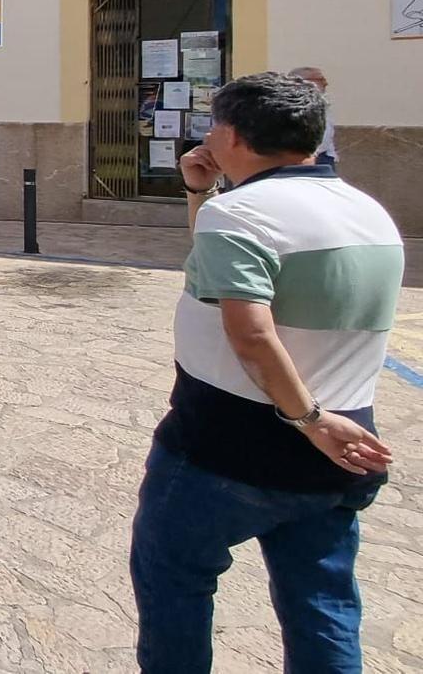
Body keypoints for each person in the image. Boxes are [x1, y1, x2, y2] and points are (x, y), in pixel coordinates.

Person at [130, 71, 401, 673]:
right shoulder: (368, 211)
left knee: (173, 584)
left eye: (214, 124)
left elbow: (252, 333)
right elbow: (222, 267)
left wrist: (308, 418)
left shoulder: (245, 213)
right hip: (340, 450)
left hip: (230, 443)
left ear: (234, 133)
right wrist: (201, 194)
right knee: (322, 606)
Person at [288, 65, 339, 167]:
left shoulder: (321, 101)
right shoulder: (292, 105)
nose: (326, 83)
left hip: (323, 157)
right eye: (320, 79)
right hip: (305, 158)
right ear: (304, 81)